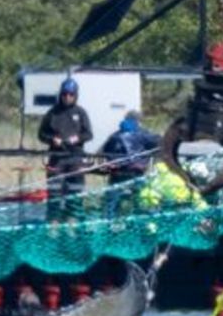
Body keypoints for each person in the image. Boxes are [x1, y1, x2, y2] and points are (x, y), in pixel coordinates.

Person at [37, 77, 94, 219]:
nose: (67, 97)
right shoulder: (52, 113)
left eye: (71, 94)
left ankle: (75, 228)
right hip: (57, 159)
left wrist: (77, 138)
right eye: (64, 94)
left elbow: (88, 134)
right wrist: (52, 139)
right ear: (60, 94)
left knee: (75, 196)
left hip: (76, 159)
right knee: (54, 195)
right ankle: (52, 226)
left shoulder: (81, 112)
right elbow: (41, 134)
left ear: (75, 95)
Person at [99, 110, 159, 185]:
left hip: (116, 172)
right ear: (138, 121)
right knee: (136, 195)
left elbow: (105, 151)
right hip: (136, 171)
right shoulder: (143, 134)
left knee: (114, 194)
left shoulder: (115, 135)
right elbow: (157, 145)